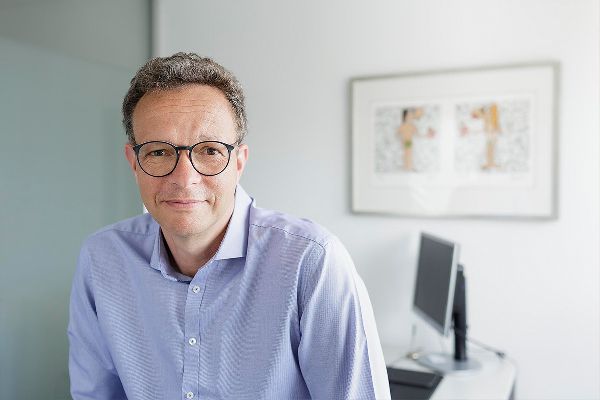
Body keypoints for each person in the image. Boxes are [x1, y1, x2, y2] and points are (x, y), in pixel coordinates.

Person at [68, 53, 390, 400]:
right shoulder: (103, 258)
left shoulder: (312, 262)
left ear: (239, 162)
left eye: (209, 151)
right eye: (159, 152)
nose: (185, 178)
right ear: (134, 163)